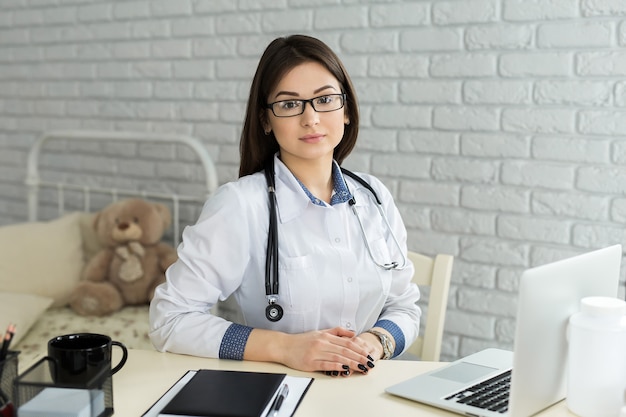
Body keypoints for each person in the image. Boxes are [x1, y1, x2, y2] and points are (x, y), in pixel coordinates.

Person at [149, 34, 421, 377]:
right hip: (279, 394)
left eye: (325, 99)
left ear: (347, 109)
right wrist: (286, 347)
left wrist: (373, 343)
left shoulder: (374, 196)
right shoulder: (239, 205)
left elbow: (404, 306)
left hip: (365, 388)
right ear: (266, 120)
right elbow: (170, 320)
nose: (311, 119)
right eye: (290, 104)